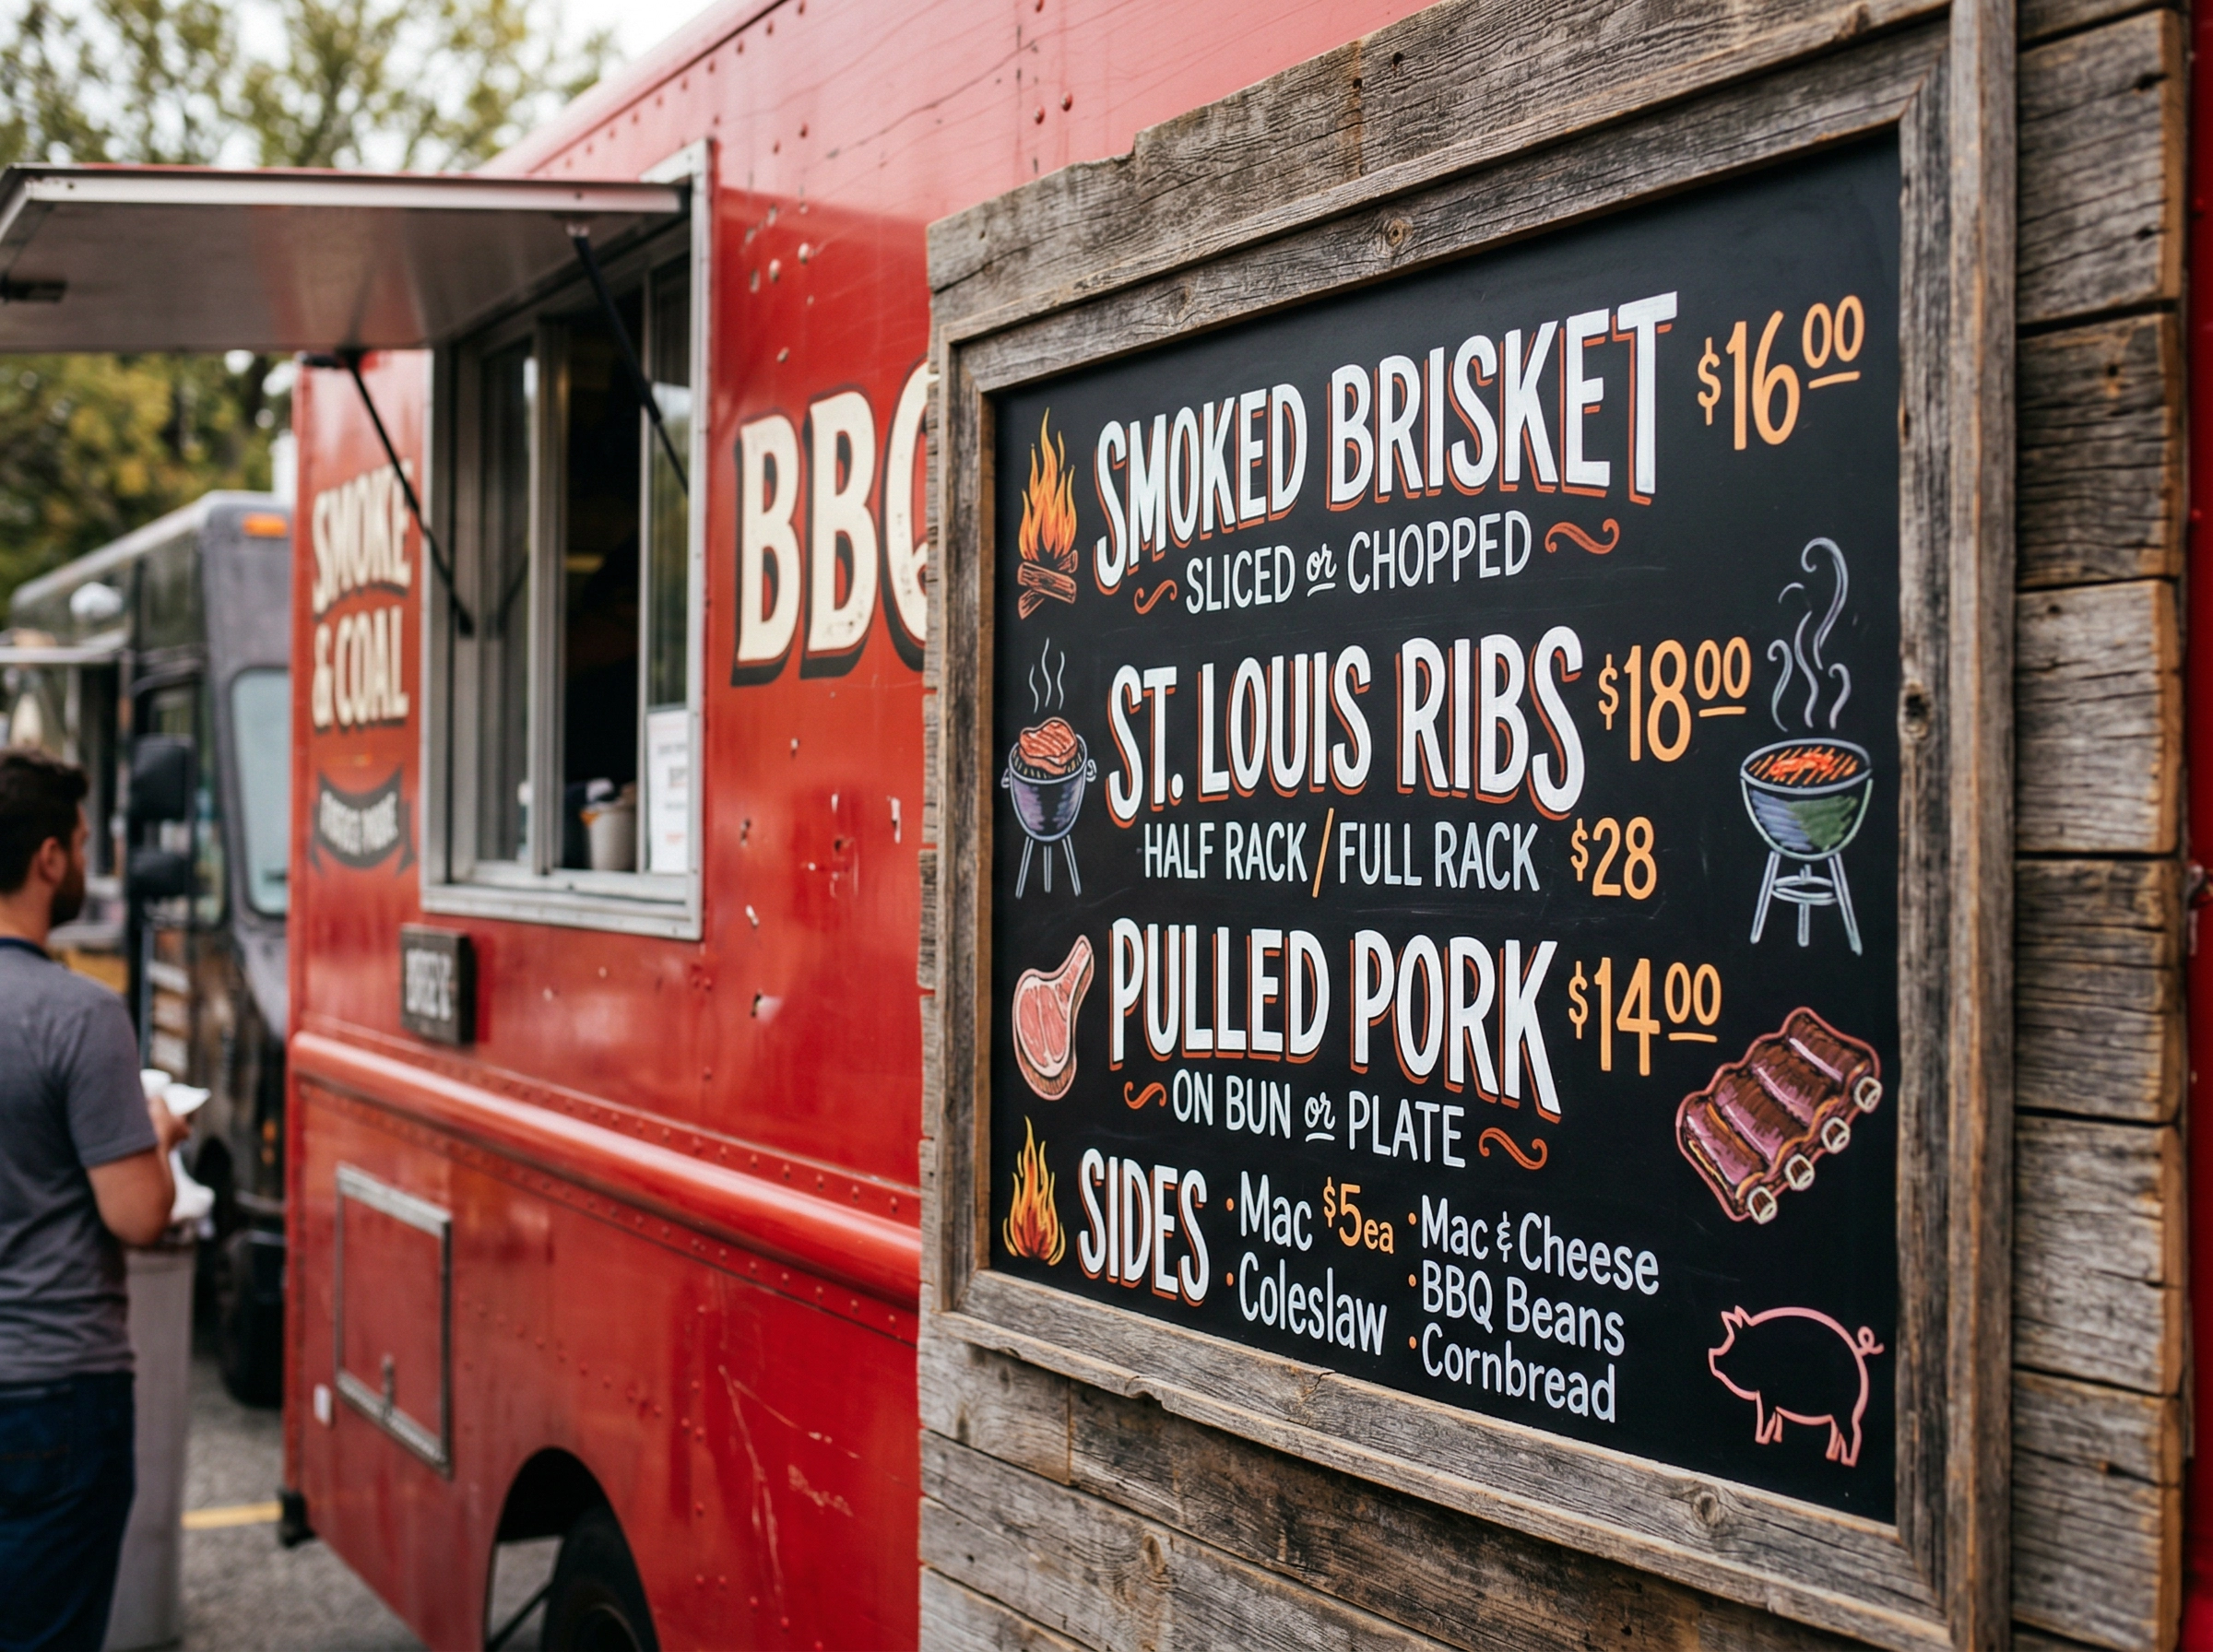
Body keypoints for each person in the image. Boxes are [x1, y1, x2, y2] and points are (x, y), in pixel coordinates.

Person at [0, 746, 185, 1652]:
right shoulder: (80, 1016)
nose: (83, 858)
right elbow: (139, 1214)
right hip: (54, 1391)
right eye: (79, 840)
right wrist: (155, 1130)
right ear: (47, 859)